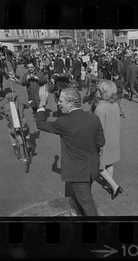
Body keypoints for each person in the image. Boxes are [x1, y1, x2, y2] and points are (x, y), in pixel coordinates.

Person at [36, 86, 105, 216]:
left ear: (71, 102)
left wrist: (42, 103)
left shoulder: (63, 122)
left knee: (88, 205)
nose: (58, 103)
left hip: (78, 173)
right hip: (92, 168)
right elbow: (101, 143)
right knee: (85, 197)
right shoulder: (93, 118)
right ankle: (80, 209)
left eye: (61, 101)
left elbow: (40, 123)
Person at [94, 80, 123, 200]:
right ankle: (107, 184)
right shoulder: (115, 104)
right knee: (109, 162)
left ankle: (115, 186)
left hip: (104, 140)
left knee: (99, 166)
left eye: (97, 90)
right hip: (114, 137)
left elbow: (98, 130)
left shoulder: (100, 109)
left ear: (102, 93)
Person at [0, 92, 33, 160]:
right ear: (15, 98)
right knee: (27, 130)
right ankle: (28, 142)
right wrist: (30, 102)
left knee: (12, 136)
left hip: (13, 128)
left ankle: (16, 151)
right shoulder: (20, 104)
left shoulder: (5, 106)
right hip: (23, 126)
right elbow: (27, 106)